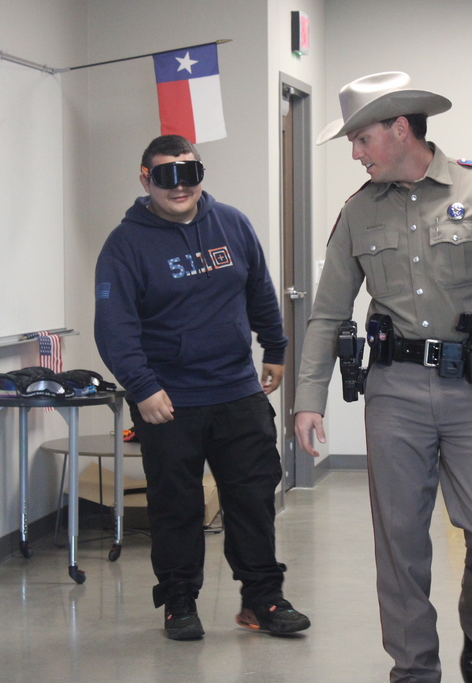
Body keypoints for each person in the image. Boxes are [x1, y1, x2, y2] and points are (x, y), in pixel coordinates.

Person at [294, 72, 472, 683]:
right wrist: (309, 399)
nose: (355, 153)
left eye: (360, 139)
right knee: (400, 545)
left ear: (399, 129)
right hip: (394, 394)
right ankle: (414, 671)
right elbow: (328, 312)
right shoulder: (357, 212)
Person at [94, 134, 310, 640]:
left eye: (189, 173)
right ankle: (179, 601)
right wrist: (142, 388)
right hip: (168, 401)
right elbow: (114, 327)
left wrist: (275, 348)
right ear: (145, 177)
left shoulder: (231, 223)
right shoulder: (125, 245)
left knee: (253, 500)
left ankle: (262, 600)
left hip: (237, 391)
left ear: (200, 175)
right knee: (177, 506)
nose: (180, 186)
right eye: (166, 175)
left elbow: (259, 287)